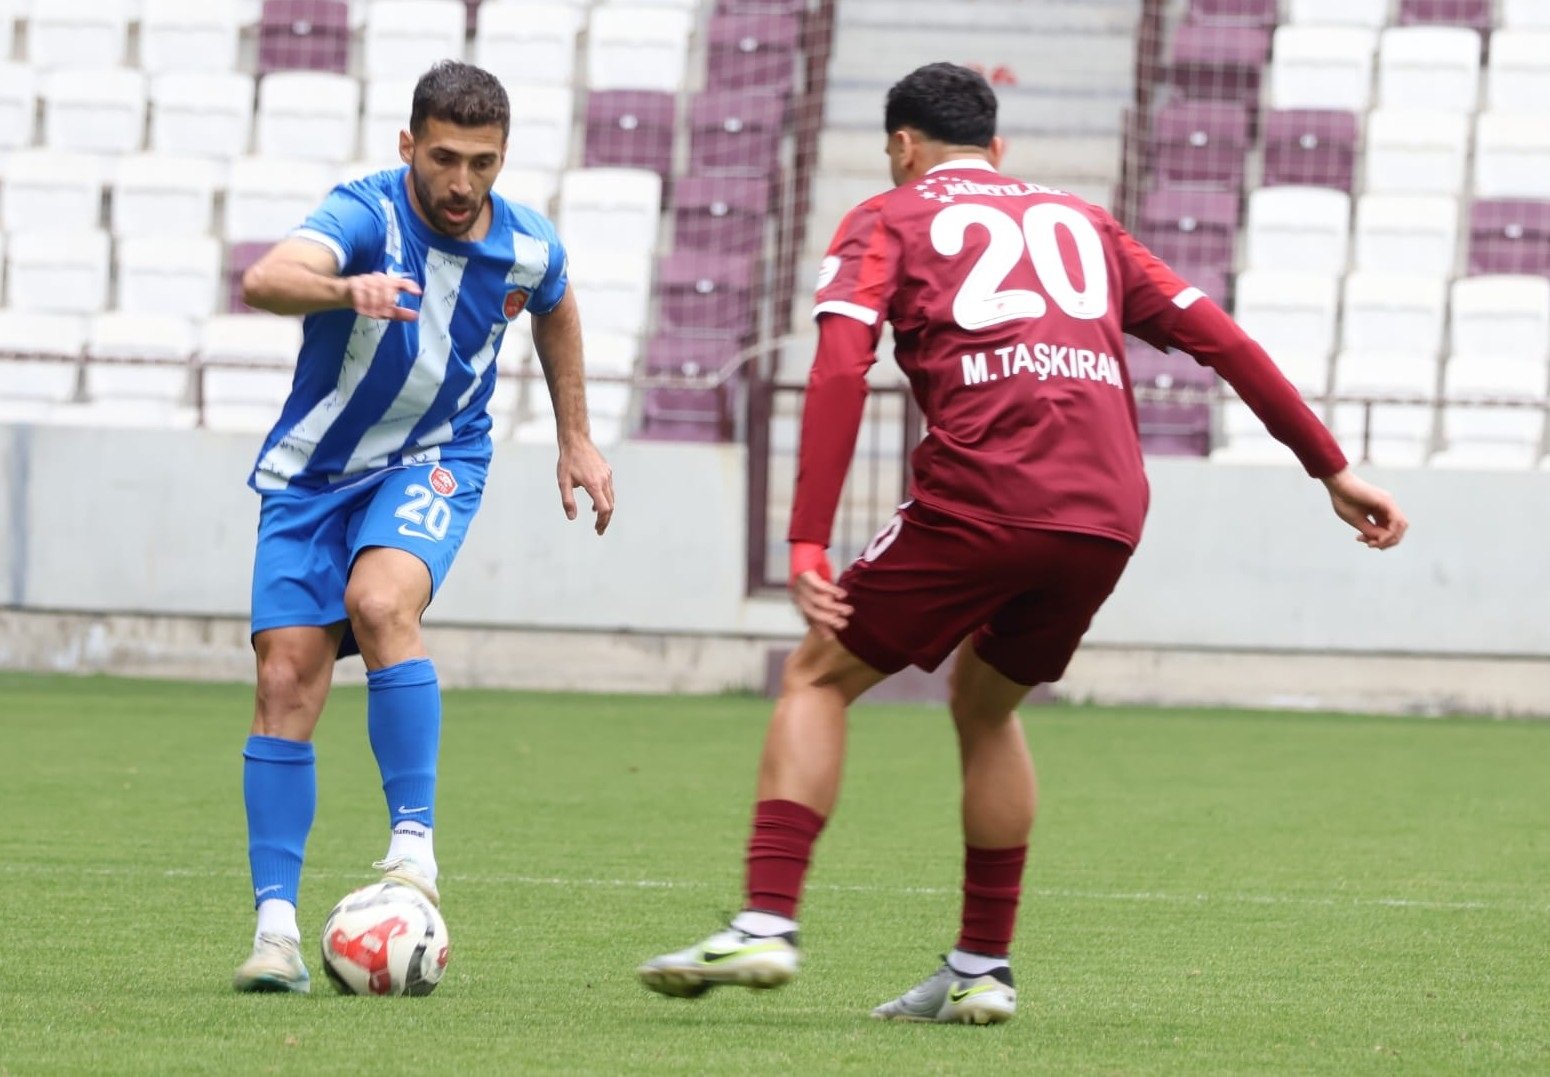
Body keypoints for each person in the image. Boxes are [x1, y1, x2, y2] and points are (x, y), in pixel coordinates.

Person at [637, 62, 1406, 1024]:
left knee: (816, 676)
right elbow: (1225, 341)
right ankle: (979, 969)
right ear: (997, 150)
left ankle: (763, 921)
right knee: (987, 705)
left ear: (903, 146)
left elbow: (839, 370)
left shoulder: (890, 213)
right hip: (1109, 512)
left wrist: (803, 541)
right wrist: (1329, 467)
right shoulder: (1085, 222)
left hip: (985, 493)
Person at [232, 60, 615, 993]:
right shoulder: (363, 214)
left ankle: (414, 852)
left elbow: (557, 303)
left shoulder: (526, 241)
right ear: (409, 145)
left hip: (435, 456)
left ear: (503, 158)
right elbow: (266, 278)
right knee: (285, 673)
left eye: (481, 163)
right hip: (315, 473)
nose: (461, 183)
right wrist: (341, 290)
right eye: (443, 158)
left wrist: (577, 436)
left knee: (379, 597)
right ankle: (275, 931)